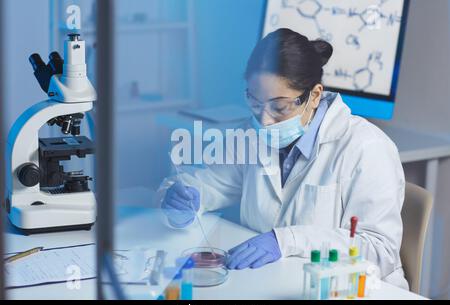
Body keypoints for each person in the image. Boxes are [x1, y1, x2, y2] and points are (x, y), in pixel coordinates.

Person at [159, 28, 408, 289]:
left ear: (314, 95)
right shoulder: (250, 135)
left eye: (279, 107)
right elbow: (207, 184)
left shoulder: (367, 147)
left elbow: (380, 251)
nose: (264, 120)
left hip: (354, 290)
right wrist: (180, 198)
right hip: (278, 283)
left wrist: (287, 240)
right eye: (255, 103)